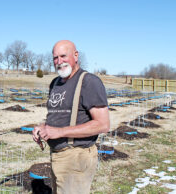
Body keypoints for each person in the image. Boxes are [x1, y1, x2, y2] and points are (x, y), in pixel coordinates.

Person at [32, 40, 110, 194]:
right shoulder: (55, 83)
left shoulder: (89, 82)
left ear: (75, 55)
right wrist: (43, 128)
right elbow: (56, 116)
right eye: (55, 58)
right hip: (57, 156)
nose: (59, 62)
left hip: (76, 157)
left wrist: (60, 132)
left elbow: (103, 124)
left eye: (63, 56)